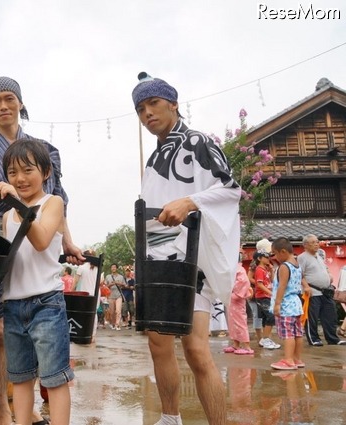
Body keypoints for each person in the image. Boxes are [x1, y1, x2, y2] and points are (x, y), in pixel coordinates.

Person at [0, 76, 82, 425]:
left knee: (42, 344)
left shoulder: (44, 150)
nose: (3, 106)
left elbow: (58, 202)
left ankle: (36, 410)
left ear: (21, 103)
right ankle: (3, 410)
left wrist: (67, 239)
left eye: (9, 99)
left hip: (38, 225)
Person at [132, 73, 240, 425]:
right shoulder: (153, 158)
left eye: (154, 104)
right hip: (157, 257)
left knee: (195, 349)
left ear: (173, 104)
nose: (147, 113)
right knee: (158, 345)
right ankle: (169, 418)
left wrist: (190, 201)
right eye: (140, 108)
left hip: (190, 254)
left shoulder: (198, 142)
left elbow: (230, 189)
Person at [0, 139, 74, 425]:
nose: (20, 178)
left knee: (55, 378)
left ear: (46, 172)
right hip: (13, 303)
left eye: (28, 170)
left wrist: (16, 201)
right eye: (12, 172)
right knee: (20, 378)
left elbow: (40, 241)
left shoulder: (52, 203)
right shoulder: (6, 216)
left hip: (46, 303)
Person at [298, 234, 346, 346]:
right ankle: (314, 339)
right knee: (312, 317)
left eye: (317, 241)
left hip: (325, 291)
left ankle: (332, 338)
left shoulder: (318, 256)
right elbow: (299, 274)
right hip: (312, 292)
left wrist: (329, 275)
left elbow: (326, 269)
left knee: (330, 315)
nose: (316, 244)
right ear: (305, 245)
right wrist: (306, 286)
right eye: (313, 242)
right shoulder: (302, 257)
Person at [269, 237, 308, 370]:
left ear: (283, 251)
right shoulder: (297, 265)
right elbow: (301, 280)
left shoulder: (284, 267)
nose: (274, 257)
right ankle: (297, 358)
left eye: (275, 253)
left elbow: (282, 286)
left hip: (286, 304)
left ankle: (288, 360)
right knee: (297, 333)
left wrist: (277, 304)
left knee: (288, 334)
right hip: (296, 304)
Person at [224, 252, 254, 355]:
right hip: (232, 297)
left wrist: (236, 293)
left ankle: (247, 346)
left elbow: (244, 282)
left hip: (236, 297)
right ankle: (235, 344)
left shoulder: (239, 269)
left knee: (240, 321)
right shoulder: (235, 269)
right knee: (232, 322)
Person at [253, 251, 281, 350]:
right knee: (270, 316)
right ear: (259, 258)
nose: (268, 258)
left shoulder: (265, 269)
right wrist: (271, 293)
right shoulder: (259, 270)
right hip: (262, 296)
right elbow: (259, 284)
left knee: (266, 318)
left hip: (266, 296)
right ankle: (265, 338)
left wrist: (272, 270)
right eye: (265, 257)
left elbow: (272, 281)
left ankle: (265, 339)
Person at [247, 239, 271, 342]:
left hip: (264, 292)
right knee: (257, 315)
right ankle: (260, 337)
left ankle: (265, 336)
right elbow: (249, 277)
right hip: (256, 292)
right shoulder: (255, 263)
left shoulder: (266, 263)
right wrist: (259, 282)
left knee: (264, 315)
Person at [105, 263, 126, 330]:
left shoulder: (121, 277)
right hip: (110, 296)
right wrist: (111, 284)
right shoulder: (108, 276)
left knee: (118, 311)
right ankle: (113, 323)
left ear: (116, 268)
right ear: (111, 269)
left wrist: (118, 283)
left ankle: (117, 325)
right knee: (112, 312)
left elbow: (124, 285)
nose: (113, 268)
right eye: (112, 267)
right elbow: (105, 286)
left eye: (114, 267)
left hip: (118, 296)